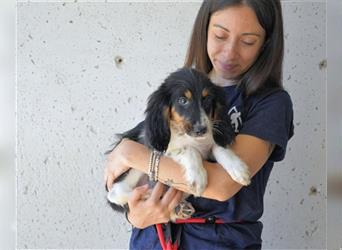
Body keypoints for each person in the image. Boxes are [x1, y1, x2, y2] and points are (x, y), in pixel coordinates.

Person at [104, 0, 294, 249]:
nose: (229, 53)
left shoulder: (270, 103)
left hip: (219, 241)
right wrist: (135, 215)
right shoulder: (181, 88)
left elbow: (223, 186)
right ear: (204, 30)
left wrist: (131, 154)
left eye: (247, 41)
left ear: (266, 43)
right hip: (152, 238)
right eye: (220, 35)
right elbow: (137, 159)